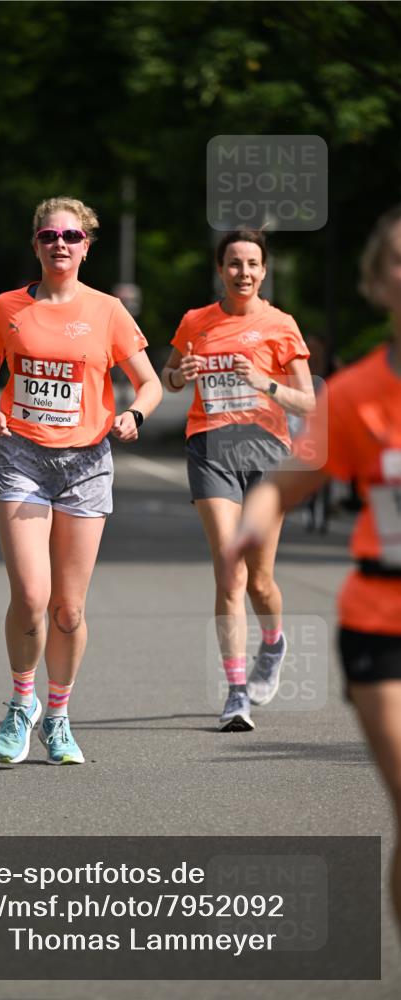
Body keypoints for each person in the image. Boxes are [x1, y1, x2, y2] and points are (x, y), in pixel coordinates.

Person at [225, 205, 401, 927]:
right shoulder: (356, 394)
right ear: (376, 282)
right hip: (382, 622)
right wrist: (253, 520)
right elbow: (283, 484)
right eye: (398, 260)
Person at [0, 195, 162, 765]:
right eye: (50, 235)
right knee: (32, 596)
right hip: (21, 457)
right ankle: (21, 702)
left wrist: (135, 414)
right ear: (36, 244)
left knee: (68, 610)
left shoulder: (107, 311)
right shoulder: (7, 307)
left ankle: (57, 716)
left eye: (71, 236)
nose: (61, 244)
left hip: (85, 465)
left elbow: (149, 383)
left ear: (86, 247)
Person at [162, 229, 315, 731]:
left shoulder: (281, 325)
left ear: (264, 271)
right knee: (230, 571)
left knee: (261, 580)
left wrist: (264, 383)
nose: (242, 272)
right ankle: (235, 695)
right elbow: (169, 377)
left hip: (265, 455)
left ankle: (272, 645)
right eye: (233, 263)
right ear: (220, 269)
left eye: (252, 264)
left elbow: (308, 402)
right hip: (210, 449)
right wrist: (181, 374)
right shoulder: (196, 321)